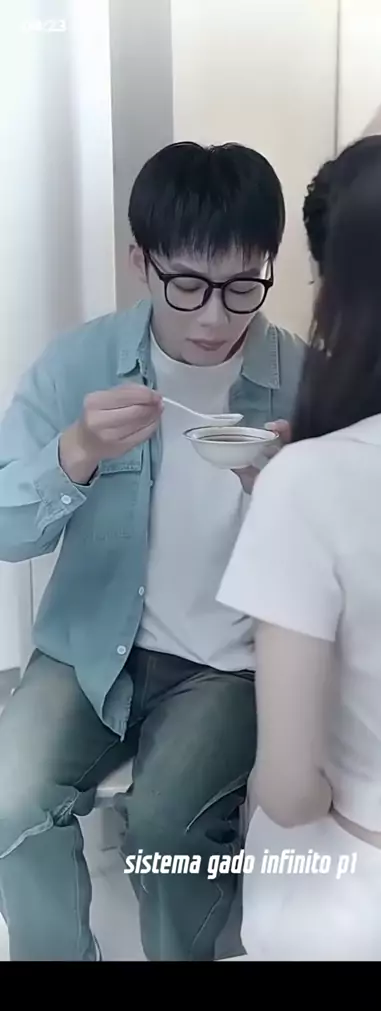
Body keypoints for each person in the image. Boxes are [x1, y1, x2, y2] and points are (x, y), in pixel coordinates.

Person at [0, 141, 305, 961]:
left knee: (168, 826)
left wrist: (295, 498)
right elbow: (7, 530)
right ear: (141, 261)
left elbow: (358, 566)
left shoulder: (305, 383)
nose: (214, 318)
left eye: (243, 286)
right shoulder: (82, 364)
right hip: (89, 648)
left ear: (270, 267)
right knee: (7, 798)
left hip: (227, 664)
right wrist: (75, 451)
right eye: (187, 285)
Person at [217, 129, 381, 961]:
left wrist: (295, 497)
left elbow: (289, 789)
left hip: (354, 905)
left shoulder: (307, 483)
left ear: (348, 297)